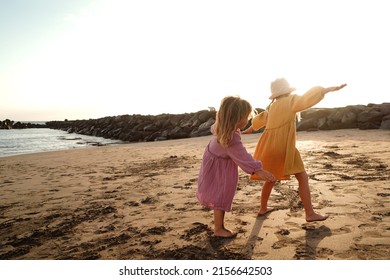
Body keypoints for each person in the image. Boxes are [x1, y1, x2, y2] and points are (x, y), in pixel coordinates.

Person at [243, 78, 347, 222]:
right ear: (287, 90)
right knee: (303, 178)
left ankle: (262, 208)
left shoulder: (271, 107)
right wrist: (326, 90)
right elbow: (307, 99)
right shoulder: (291, 100)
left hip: (268, 146)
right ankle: (310, 213)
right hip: (284, 146)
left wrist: (245, 130)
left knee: (271, 179)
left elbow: (257, 122)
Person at [196, 96, 276, 238]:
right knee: (221, 194)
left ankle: (219, 227)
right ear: (237, 118)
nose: (248, 120)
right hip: (218, 165)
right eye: (246, 117)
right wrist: (258, 169)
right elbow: (242, 155)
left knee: (219, 194)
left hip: (214, 160)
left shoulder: (222, 128)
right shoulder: (230, 137)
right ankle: (219, 229)